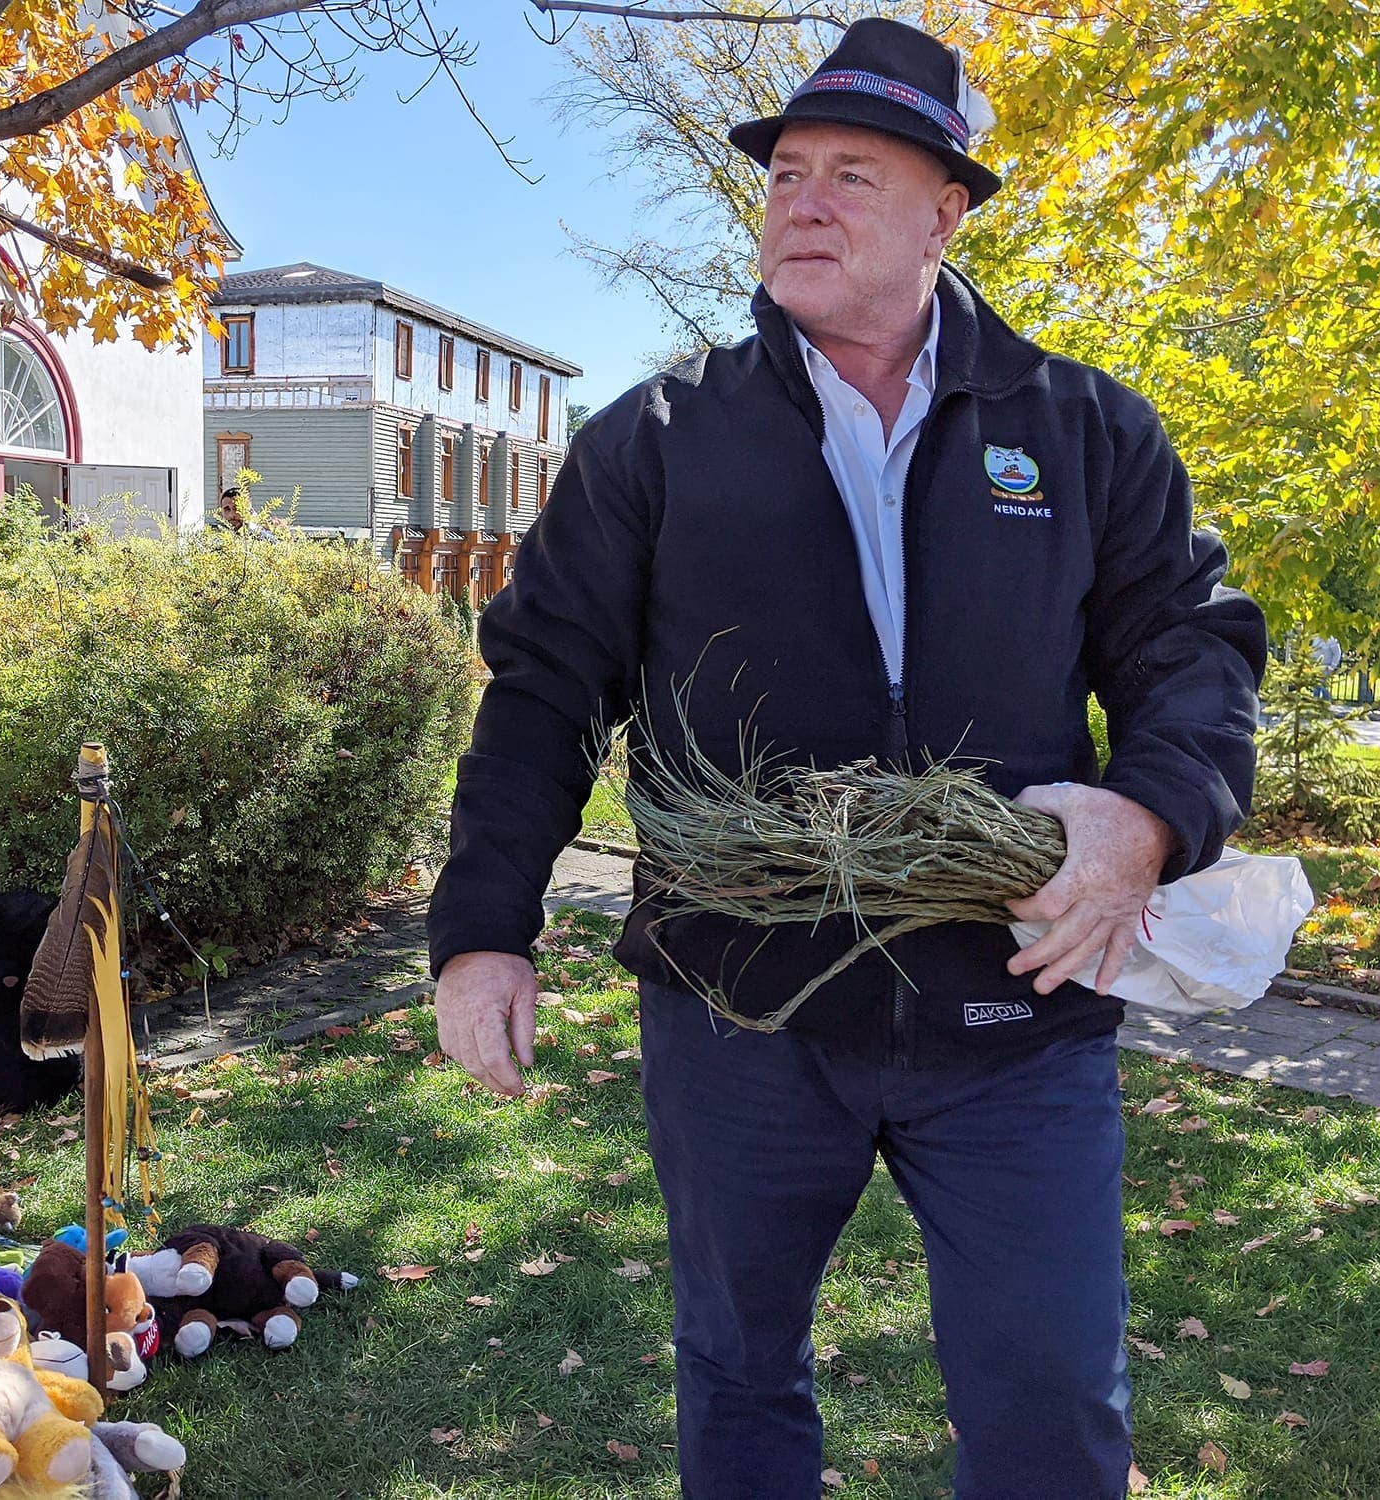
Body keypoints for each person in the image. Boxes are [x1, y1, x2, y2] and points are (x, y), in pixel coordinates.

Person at [427, 19, 1265, 1500]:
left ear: (946, 212)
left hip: (1018, 1013)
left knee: (1052, 1399)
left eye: (851, 175)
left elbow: (1191, 647)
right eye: (786, 175)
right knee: (741, 1376)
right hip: (740, 1014)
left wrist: (1150, 819)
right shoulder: (660, 438)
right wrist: (484, 932)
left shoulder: (1082, 432)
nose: (801, 201)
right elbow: (546, 685)